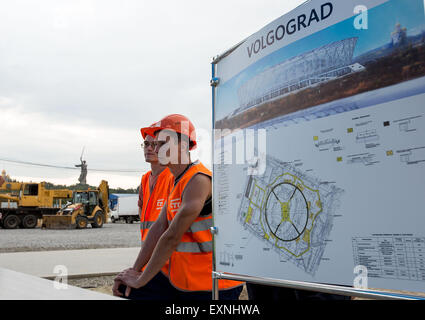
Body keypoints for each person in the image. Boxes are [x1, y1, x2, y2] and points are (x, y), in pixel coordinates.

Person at [116, 114, 243, 300]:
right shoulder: (177, 181)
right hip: (185, 279)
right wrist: (133, 271)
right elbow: (158, 228)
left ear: (183, 146)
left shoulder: (198, 179)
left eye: (162, 143)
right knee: (128, 290)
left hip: (213, 283)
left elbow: (172, 236)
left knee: (138, 288)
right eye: (154, 144)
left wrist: (141, 279)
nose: (155, 148)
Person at [113, 127, 176, 300]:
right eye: (146, 144)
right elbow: (144, 215)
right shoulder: (145, 179)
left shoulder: (173, 177)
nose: (149, 148)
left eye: (154, 144)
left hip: (168, 262)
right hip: (150, 258)